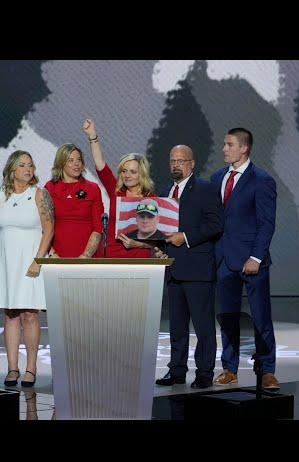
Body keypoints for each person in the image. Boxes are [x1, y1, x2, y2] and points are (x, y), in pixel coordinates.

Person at [210, 128, 279, 390]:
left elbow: (266, 223)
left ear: (244, 148)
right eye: (224, 144)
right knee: (228, 317)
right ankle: (229, 368)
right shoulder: (217, 178)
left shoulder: (261, 180)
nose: (224, 149)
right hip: (225, 260)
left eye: (229, 144)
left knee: (261, 316)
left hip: (252, 261)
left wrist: (256, 257)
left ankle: (267, 370)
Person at [155, 145, 223, 389]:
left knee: (203, 326)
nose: (176, 165)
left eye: (181, 161)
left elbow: (215, 225)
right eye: (172, 160)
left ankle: (204, 372)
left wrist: (185, 237)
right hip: (173, 269)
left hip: (198, 268)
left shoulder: (206, 189)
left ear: (192, 164)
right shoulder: (164, 193)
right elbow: (162, 230)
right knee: (177, 326)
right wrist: (160, 247)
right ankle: (177, 370)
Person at [0, 150, 54, 388]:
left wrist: (38, 260)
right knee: (10, 314)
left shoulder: (39, 195)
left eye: (31, 165)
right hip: (7, 261)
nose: (28, 170)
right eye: (23, 165)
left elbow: (49, 230)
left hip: (31, 260)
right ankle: (12, 368)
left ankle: (31, 368)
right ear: (12, 170)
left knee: (29, 314)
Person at [82, 118, 157, 257]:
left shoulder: (152, 199)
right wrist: (92, 135)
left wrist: (137, 244)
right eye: (124, 171)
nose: (127, 175)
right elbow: (100, 164)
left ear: (142, 174)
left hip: (138, 258)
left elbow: (159, 240)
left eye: (133, 172)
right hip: (111, 254)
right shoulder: (116, 191)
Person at [44, 143, 104, 258]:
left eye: (79, 160)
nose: (76, 163)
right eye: (71, 160)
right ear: (61, 163)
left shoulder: (92, 189)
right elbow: (44, 226)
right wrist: (52, 254)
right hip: (56, 258)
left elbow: (98, 228)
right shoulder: (50, 188)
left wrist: (86, 256)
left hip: (86, 258)